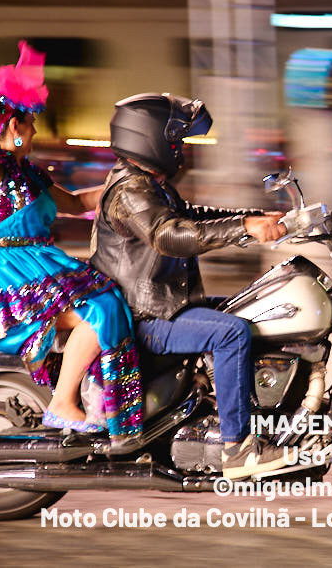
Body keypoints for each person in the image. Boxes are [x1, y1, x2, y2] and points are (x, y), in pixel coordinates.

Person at [0, 40, 143, 444]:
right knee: (102, 309)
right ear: (11, 128)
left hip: (34, 264)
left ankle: (89, 398)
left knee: (109, 306)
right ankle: (63, 403)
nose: (35, 130)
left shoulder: (31, 175)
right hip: (1, 271)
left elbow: (78, 203)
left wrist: (129, 183)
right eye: (30, 123)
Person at [89, 92, 288, 479]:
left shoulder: (148, 184)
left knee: (254, 307)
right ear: (149, 137)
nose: (180, 149)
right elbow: (169, 234)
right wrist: (243, 227)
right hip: (145, 316)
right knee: (231, 332)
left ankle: (242, 406)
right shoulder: (130, 190)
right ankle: (236, 447)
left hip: (166, 302)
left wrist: (254, 218)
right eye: (176, 141)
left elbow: (192, 217)